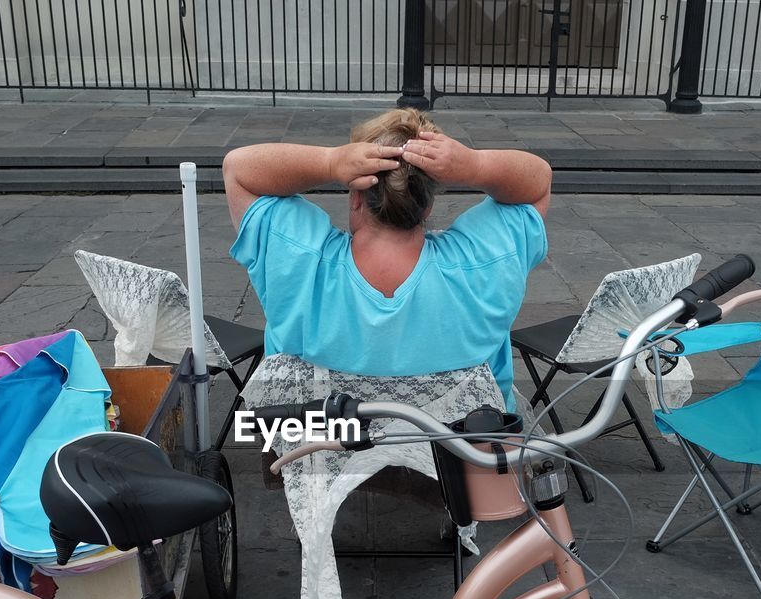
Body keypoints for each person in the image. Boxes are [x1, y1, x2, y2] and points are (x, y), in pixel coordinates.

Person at [222, 108, 551, 411]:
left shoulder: (299, 256)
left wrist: (330, 162)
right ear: (427, 207)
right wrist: (474, 166)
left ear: (356, 199)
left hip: (313, 465)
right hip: (460, 463)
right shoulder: (484, 262)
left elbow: (238, 168)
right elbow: (538, 182)